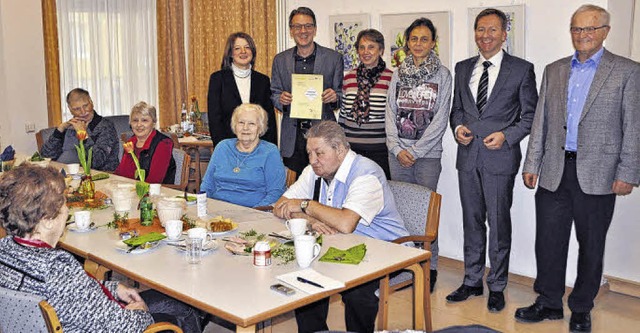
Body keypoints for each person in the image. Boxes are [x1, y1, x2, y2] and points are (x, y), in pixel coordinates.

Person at [516, 5, 640, 332]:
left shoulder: (627, 71)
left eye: (590, 29)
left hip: (599, 174)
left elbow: (634, 126)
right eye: (576, 29)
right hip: (555, 170)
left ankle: (582, 306)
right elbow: (541, 120)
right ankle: (548, 302)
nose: (582, 35)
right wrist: (533, 162)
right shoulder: (554, 70)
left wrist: (628, 172)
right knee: (548, 241)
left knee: (591, 244)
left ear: (605, 32)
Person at [0, 165, 205, 332]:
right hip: (104, 326)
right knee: (185, 310)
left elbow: (75, 294)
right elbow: (125, 327)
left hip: (72, 317)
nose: (67, 209)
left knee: (169, 301)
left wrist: (114, 288)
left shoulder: (4, 250)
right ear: (46, 220)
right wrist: (141, 313)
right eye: (63, 203)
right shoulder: (57, 269)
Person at [273, 121, 409, 333]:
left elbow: (346, 223)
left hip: (387, 250)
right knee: (303, 275)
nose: (312, 161)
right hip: (343, 247)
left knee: (356, 291)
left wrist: (306, 205)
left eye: (319, 153)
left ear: (340, 149)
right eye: (309, 153)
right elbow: (280, 206)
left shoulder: (366, 174)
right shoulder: (314, 170)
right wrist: (311, 219)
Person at [447, 8, 538, 313]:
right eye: (480, 30)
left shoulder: (521, 69)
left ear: (504, 34)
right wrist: (458, 127)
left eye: (492, 30)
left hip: (500, 158)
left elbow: (530, 116)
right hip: (468, 157)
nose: (485, 36)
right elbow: (457, 110)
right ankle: (472, 280)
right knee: (471, 221)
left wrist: (506, 135)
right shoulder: (462, 68)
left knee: (498, 224)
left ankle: (496, 285)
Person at [385, 17, 451, 291]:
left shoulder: (443, 75)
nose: (419, 44)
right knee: (399, 213)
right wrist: (397, 148)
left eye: (425, 39)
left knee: (426, 216)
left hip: (427, 156)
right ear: (407, 42)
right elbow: (389, 112)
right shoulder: (398, 73)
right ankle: (403, 266)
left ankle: (429, 267)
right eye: (414, 39)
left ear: (433, 43)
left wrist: (414, 150)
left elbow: (441, 118)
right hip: (397, 155)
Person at [271, 6, 344, 176]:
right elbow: (274, 93)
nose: (303, 31)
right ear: (291, 30)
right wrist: (280, 99)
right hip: (293, 136)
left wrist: (333, 97)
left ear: (315, 29)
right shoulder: (280, 60)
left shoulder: (333, 58)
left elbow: (341, 96)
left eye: (308, 26)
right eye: (297, 26)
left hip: (323, 135)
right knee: (295, 186)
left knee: (323, 184)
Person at [201, 104, 285, 208]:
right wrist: (204, 207)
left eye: (251, 124)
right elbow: (207, 185)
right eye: (241, 122)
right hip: (218, 210)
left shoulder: (270, 152)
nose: (245, 128)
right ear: (234, 126)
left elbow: (275, 192)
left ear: (260, 128)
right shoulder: (222, 147)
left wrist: (254, 213)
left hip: (253, 213)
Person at [338, 29, 393, 179]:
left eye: (371, 47)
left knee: (377, 195)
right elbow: (343, 115)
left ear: (381, 50)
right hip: (351, 150)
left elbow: (393, 117)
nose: (365, 52)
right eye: (362, 47)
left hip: (380, 150)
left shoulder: (391, 78)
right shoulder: (349, 77)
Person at [207, 32, 277, 146]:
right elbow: (215, 119)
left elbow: (269, 120)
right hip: (229, 146)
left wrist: (270, 148)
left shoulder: (262, 80)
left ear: (252, 52)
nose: (243, 52)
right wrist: (223, 148)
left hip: (258, 146)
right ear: (230, 53)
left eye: (247, 47)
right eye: (237, 48)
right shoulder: (218, 79)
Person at [41, 88, 119, 171]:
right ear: (70, 109)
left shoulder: (105, 126)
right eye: (77, 109)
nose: (83, 111)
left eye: (85, 106)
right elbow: (45, 156)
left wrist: (83, 135)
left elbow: (96, 162)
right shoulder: (69, 127)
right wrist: (60, 130)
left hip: (103, 175)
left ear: (91, 102)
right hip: (68, 175)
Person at [114, 101, 176, 184]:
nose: (139, 125)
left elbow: (154, 180)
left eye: (144, 120)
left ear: (153, 123)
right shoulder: (130, 142)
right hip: (130, 190)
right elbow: (122, 173)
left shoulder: (164, 143)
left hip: (157, 193)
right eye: (135, 120)